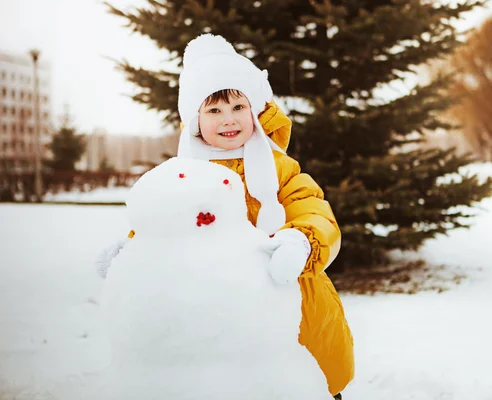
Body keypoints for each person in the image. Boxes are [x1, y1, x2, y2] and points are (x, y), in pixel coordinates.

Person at [96, 34, 354, 398]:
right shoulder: (183, 175)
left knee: (301, 381)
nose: (228, 120)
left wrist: (301, 240)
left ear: (255, 112)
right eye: (214, 111)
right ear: (196, 120)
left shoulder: (280, 169)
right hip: (218, 309)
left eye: (238, 108)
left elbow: (312, 209)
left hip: (292, 302)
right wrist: (134, 254)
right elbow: (164, 225)